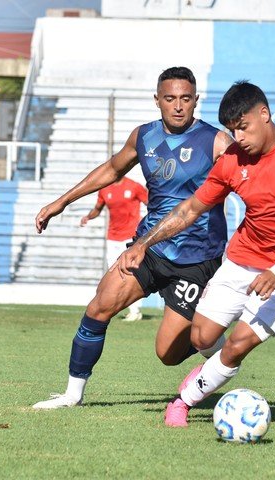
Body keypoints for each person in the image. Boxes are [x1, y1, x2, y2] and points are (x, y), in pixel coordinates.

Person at [115, 81, 275, 427]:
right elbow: (190, 209)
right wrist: (144, 243)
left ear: (264, 114)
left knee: (236, 345)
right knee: (201, 337)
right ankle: (215, 369)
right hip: (243, 258)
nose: (239, 137)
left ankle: (183, 402)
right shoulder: (233, 160)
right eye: (233, 130)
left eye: (243, 127)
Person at [32, 66, 234, 409]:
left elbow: (246, 184)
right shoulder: (143, 136)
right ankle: (72, 395)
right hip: (149, 248)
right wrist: (62, 201)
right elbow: (112, 169)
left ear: (196, 100)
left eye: (186, 98)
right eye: (170, 98)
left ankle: (217, 348)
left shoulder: (217, 142)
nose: (178, 106)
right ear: (157, 100)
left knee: (168, 355)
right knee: (99, 306)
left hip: (197, 258)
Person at [80, 176, 148, 322]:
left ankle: (135, 311)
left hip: (131, 236)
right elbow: (97, 209)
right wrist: (88, 217)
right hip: (112, 237)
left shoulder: (134, 186)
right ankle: (117, 308)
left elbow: (151, 203)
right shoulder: (105, 189)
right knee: (113, 273)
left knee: (130, 273)